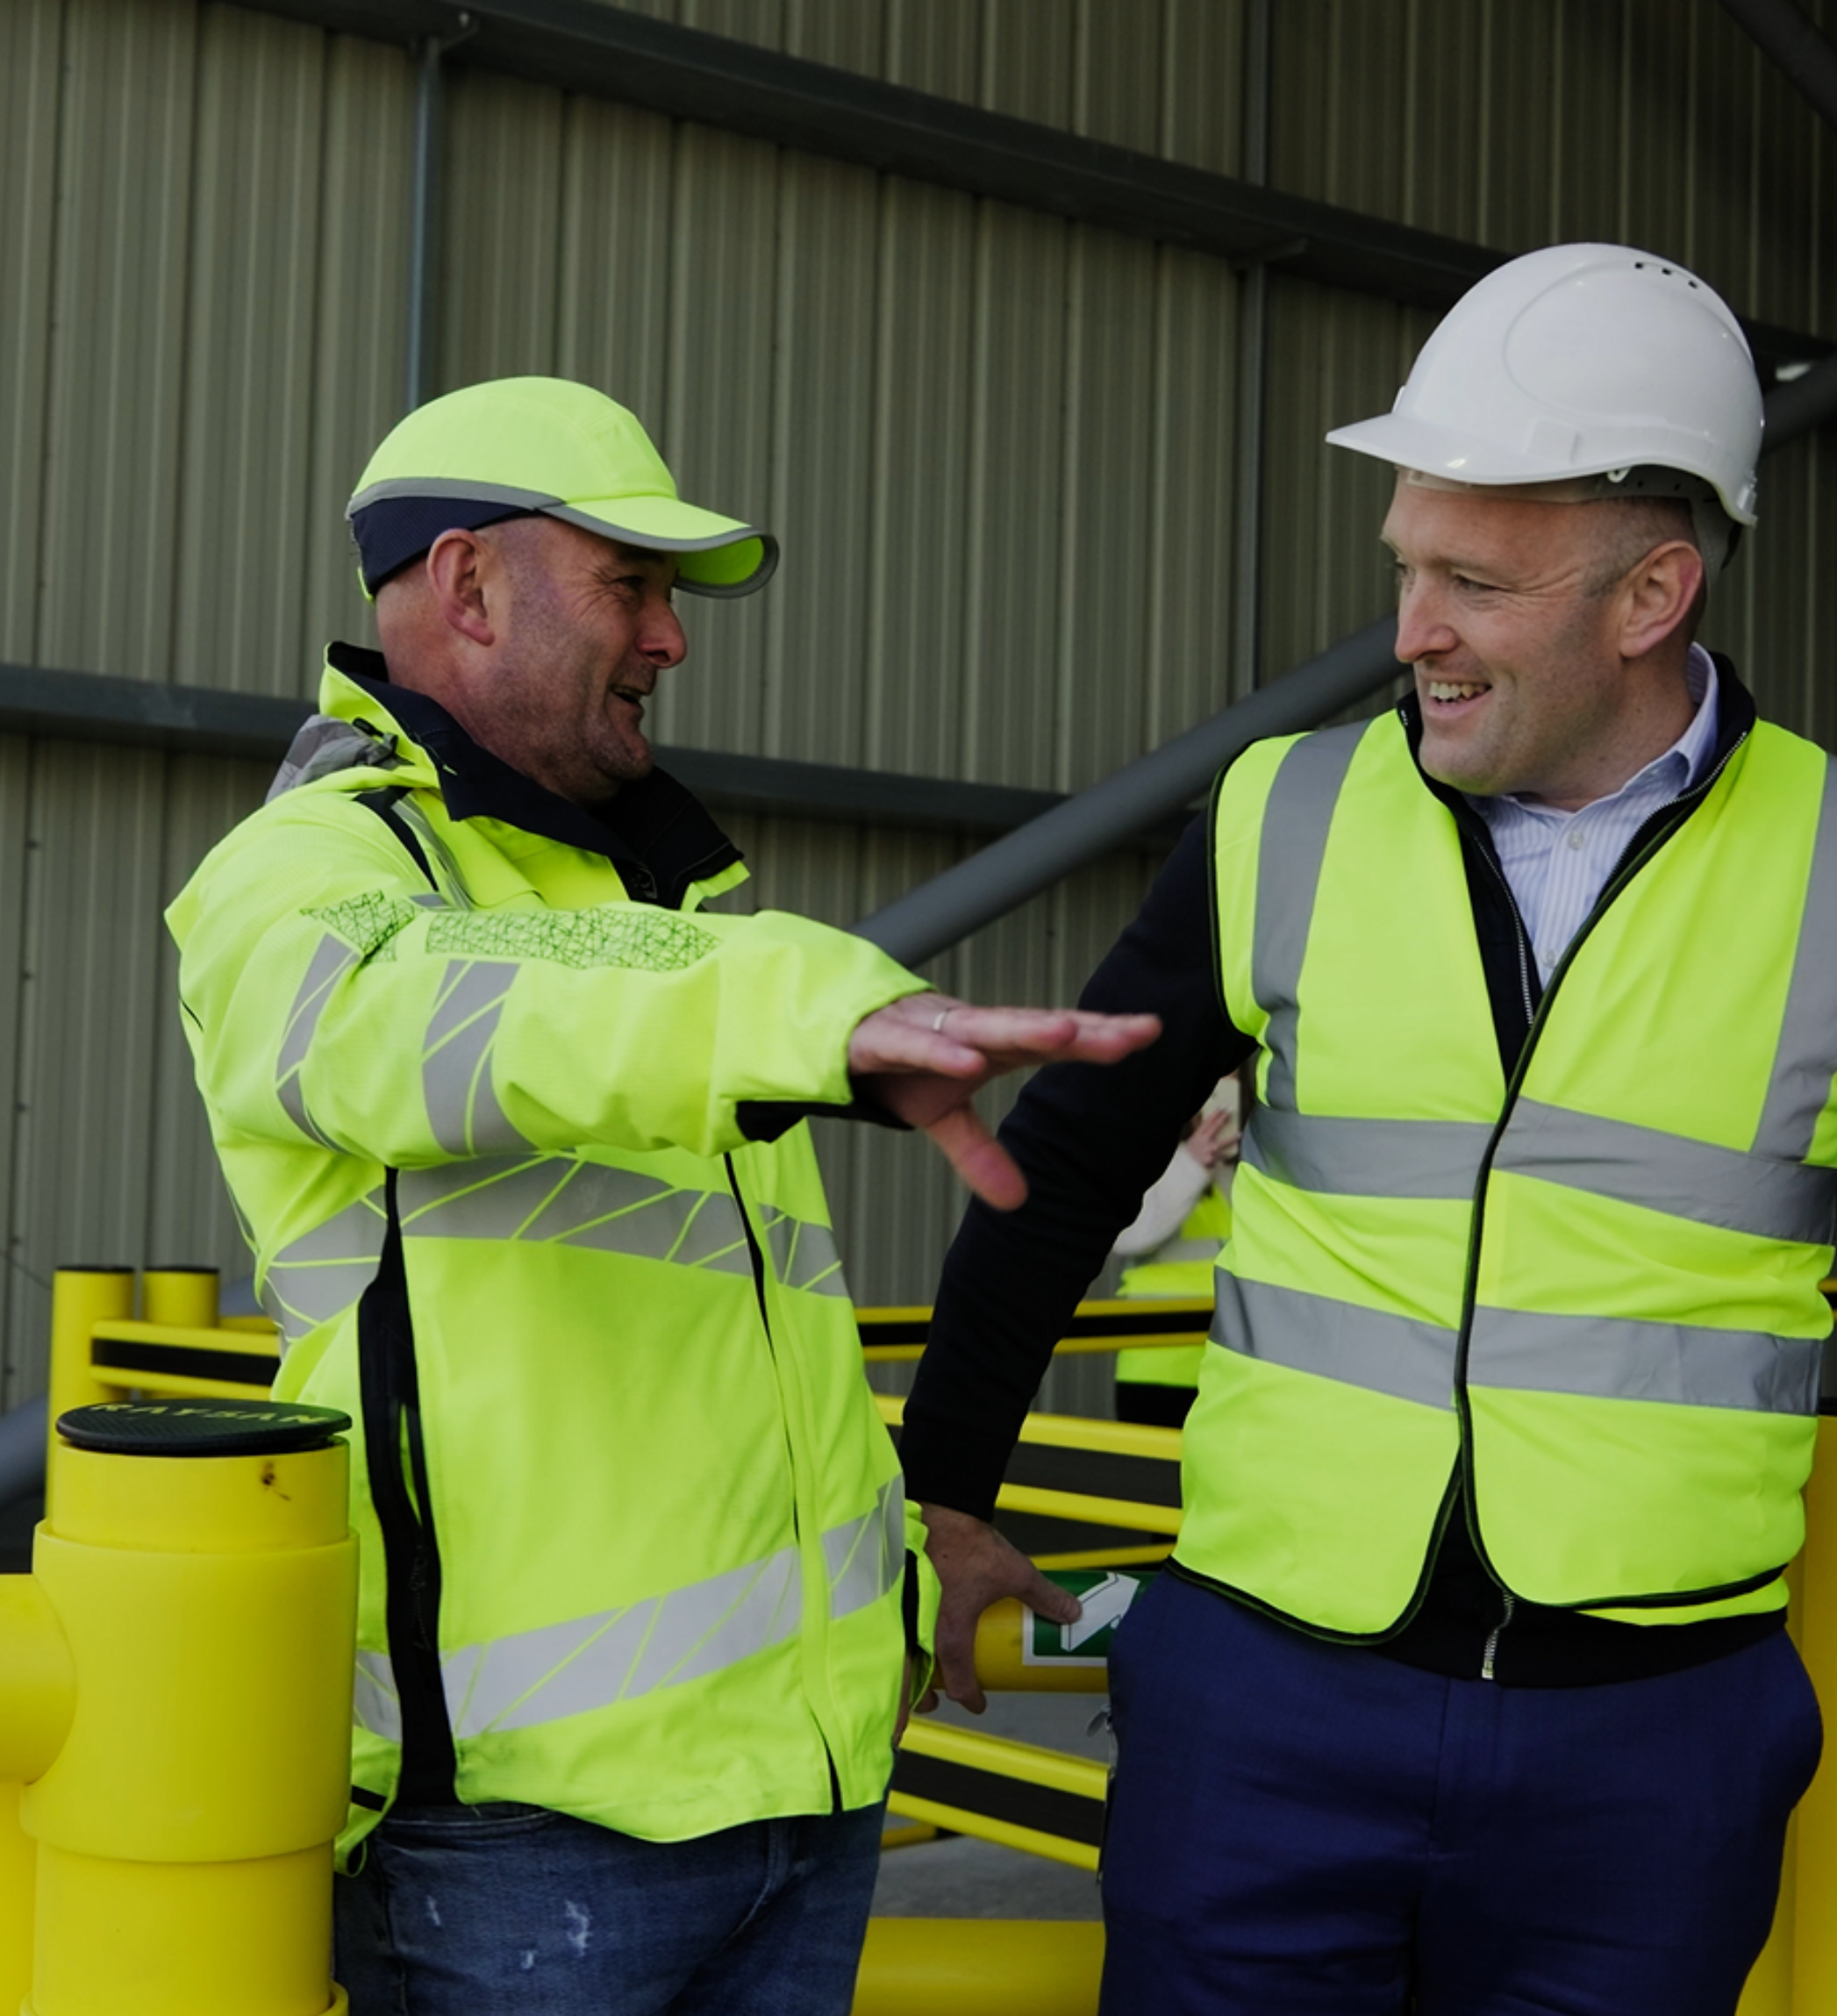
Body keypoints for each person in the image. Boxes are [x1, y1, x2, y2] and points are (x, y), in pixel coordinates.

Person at [899, 245, 1837, 2014]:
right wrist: (943, 1485)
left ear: (1648, 595)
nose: (1407, 630)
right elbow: (1063, 1157)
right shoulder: (1287, 814)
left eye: (1467, 582)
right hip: (1260, 1703)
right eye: (1406, 565)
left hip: (1649, 1748)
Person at [166, 375, 1156, 2014]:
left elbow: (714, 1364)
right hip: (523, 1842)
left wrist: (913, 1556)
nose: (671, 640)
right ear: (470, 584)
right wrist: (788, 1002)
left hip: (806, 1799)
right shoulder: (318, 877)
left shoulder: (658, 905)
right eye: (632, 585)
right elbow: (419, 1013)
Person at [1106, 1074, 1243, 1426]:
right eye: (1211, 1091)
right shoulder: (1146, 1148)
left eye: (1230, 1088)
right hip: (1159, 1364)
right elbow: (1125, 1232)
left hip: (1232, 1369)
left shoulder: (1253, 1163)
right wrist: (1191, 1163)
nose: (1220, 1104)